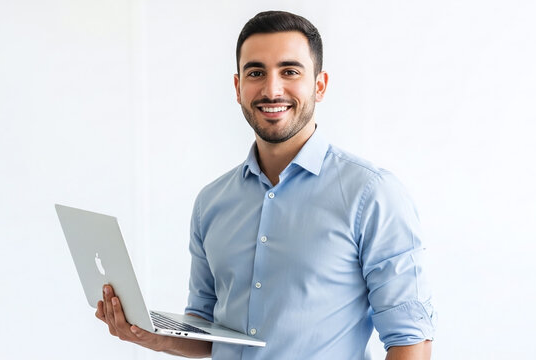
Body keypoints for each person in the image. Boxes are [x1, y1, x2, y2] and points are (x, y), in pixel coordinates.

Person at [95, 10, 436, 359]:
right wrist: (153, 336)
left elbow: (410, 340)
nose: (272, 89)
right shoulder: (212, 202)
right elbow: (206, 327)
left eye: (290, 71)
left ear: (319, 86)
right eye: (256, 73)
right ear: (238, 87)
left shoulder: (372, 194)